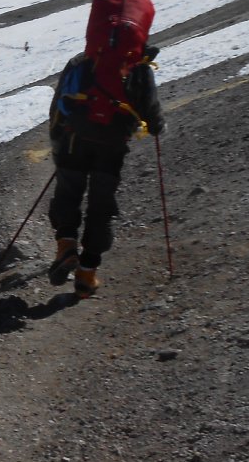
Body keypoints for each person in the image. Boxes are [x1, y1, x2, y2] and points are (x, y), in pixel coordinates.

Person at [46, 44, 165, 296]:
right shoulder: (140, 66)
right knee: (101, 205)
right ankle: (86, 276)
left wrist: (57, 139)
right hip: (112, 145)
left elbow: (58, 104)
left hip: (74, 139)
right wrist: (156, 126)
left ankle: (66, 246)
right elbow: (151, 111)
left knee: (68, 193)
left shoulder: (82, 60)